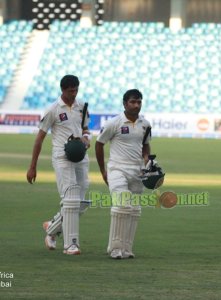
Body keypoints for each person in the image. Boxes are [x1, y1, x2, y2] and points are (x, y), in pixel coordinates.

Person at [26, 75, 91, 255]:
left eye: (76, 90)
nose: (74, 94)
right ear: (62, 90)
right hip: (62, 157)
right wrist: (33, 166)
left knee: (82, 201)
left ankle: (52, 228)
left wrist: (87, 138)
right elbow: (39, 139)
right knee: (70, 199)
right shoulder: (53, 109)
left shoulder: (82, 106)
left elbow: (86, 129)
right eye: (71, 91)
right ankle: (71, 244)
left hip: (81, 157)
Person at [95, 89, 151, 259]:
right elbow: (99, 144)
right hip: (117, 168)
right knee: (121, 206)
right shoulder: (114, 123)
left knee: (134, 209)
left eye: (139, 102)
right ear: (125, 104)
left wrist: (148, 163)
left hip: (137, 170)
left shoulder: (145, 124)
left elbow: (146, 146)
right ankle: (115, 248)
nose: (136, 105)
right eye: (133, 102)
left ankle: (126, 249)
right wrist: (103, 171)